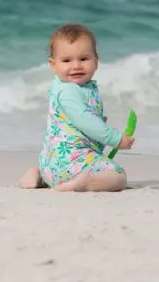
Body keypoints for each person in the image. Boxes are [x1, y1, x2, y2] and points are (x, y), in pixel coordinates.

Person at [17, 23, 134, 192]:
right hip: (72, 161)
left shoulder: (72, 87)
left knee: (71, 167)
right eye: (66, 60)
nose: (76, 66)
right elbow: (85, 121)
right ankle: (82, 183)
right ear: (53, 64)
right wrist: (116, 139)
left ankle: (39, 174)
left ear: (96, 61)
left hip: (52, 162)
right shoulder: (68, 91)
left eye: (84, 59)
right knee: (118, 177)